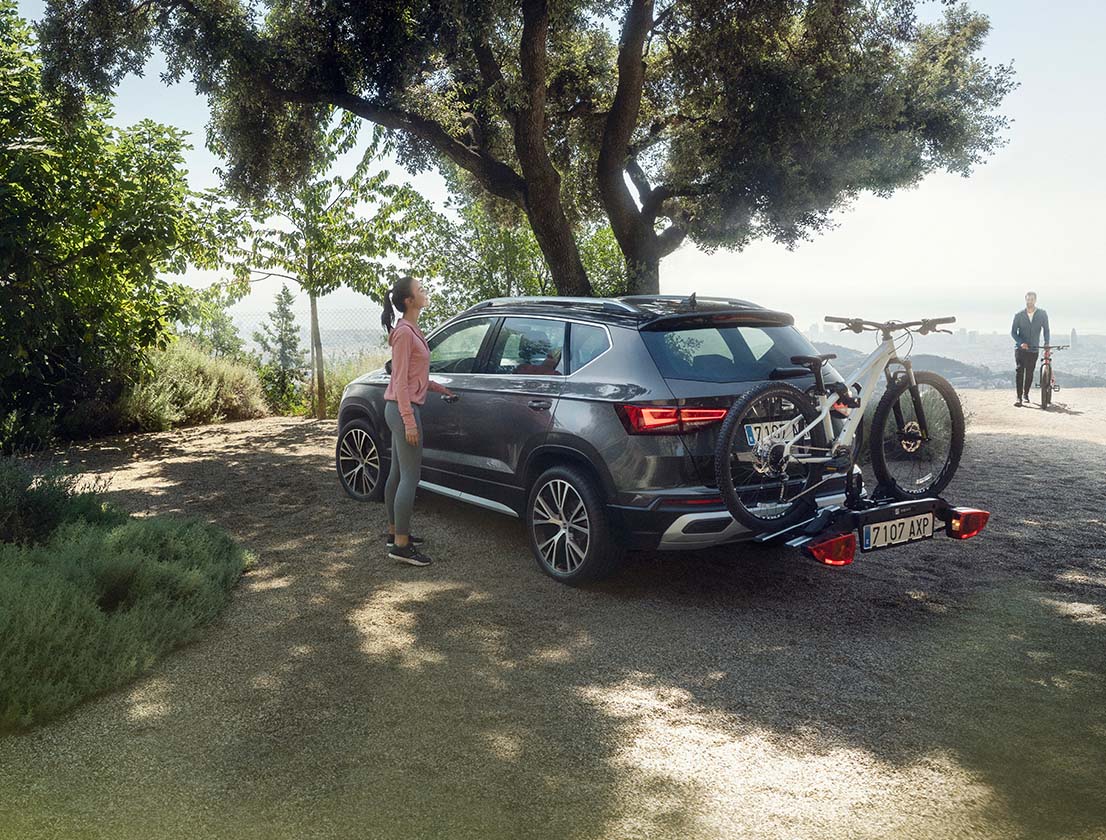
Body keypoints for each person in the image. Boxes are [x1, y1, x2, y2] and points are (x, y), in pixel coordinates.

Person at [380, 276, 454, 566]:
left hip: (401, 408)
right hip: (402, 410)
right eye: (420, 290)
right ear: (409, 301)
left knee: (398, 474)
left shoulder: (411, 329)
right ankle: (401, 545)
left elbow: (412, 376)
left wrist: (437, 387)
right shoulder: (404, 334)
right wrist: (409, 421)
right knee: (410, 477)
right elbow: (399, 382)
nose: (425, 292)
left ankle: (394, 532)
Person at [1010, 291, 1050, 407]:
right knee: (1019, 370)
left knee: (1030, 372)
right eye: (1028, 299)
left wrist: (1047, 342)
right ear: (1025, 300)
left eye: (1032, 299)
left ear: (1035, 300)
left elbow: (1046, 330)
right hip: (1020, 349)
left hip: (1033, 349)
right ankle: (1019, 397)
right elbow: (1013, 332)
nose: (1030, 301)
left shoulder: (1042, 314)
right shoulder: (1019, 315)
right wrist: (1021, 342)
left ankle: (1026, 394)